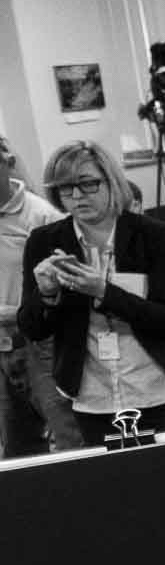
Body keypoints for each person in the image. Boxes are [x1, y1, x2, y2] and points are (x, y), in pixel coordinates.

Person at [19, 140, 165, 442]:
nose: (76, 196)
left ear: (111, 180)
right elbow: (32, 328)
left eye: (87, 185)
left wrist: (104, 292)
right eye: (65, 188)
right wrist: (46, 294)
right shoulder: (45, 240)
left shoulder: (154, 235)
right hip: (94, 395)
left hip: (163, 386)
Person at [0, 134, 81, 455]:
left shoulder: (42, 217)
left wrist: (10, 313)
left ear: (7, 163)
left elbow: (67, 285)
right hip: (1, 351)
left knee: (69, 440)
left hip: (40, 346)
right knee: (18, 452)